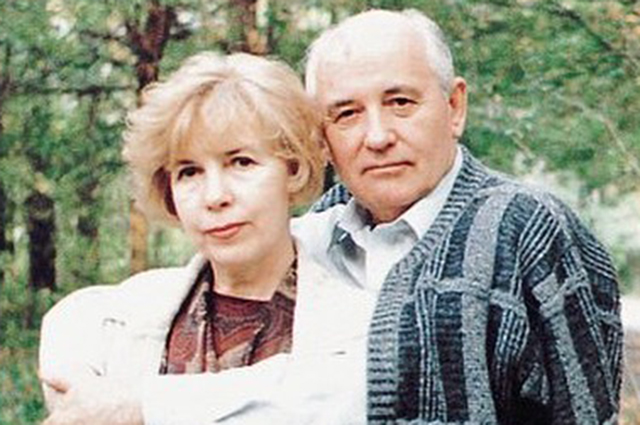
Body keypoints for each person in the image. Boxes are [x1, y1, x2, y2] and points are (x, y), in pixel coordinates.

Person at [40, 8, 623, 425]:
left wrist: (145, 405)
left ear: (454, 107)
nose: (377, 136)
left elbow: (581, 402)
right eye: (346, 114)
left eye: (400, 102)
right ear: (321, 139)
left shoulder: (525, 225)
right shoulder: (323, 230)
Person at [39, 51, 374, 425]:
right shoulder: (129, 313)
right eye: (189, 172)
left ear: (292, 168)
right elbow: (65, 326)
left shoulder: (359, 324)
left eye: (241, 162)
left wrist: (139, 407)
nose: (215, 196)